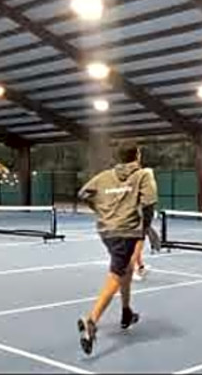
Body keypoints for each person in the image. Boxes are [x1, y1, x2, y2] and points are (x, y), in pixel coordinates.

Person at [76, 143, 158, 355]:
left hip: (106, 231)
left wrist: (102, 210)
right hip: (126, 232)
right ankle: (91, 320)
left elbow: (83, 193)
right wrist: (146, 228)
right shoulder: (143, 174)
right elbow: (149, 203)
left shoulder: (104, 176)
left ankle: (126, 312)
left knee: (127, 268)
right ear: (137, 155)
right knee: (116, 274)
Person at [132, 167, 158, 282]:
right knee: (138, 244)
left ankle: (141, 267)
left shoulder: (147, 190)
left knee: (138, 244)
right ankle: (132, 271)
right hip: (141, 215)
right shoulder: (139, 190)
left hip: (146, 213)